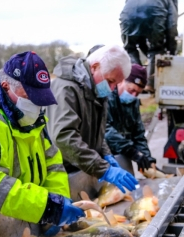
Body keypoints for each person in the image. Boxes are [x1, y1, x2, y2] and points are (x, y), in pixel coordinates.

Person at [0, 52, 83, 237]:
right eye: (31, 97)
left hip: (25, 217)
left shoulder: (28, 114)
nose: (37, 106)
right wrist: (46, 206)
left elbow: (52, 161)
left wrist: (57, 199)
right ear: (6, 87)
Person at [46, 45, 138, 199]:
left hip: (80, 167)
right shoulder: (66, 89)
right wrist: (103, 169)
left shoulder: (97, 89)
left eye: (116, 84)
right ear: (95, 67)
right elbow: (63, 137)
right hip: (60, 173)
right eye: (110, 81)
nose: (112, 88)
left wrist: (106, 155)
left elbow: (98, 132)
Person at [105, 64, 156, 172]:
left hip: (123, 157)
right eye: (131, 90)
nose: (133, 95)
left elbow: (138, 134)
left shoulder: (133, 103)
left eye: (137, 93)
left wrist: (147, 158)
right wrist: (133, 152)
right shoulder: (106, 98)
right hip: (104, 158)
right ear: (121, 81)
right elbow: (106, 131)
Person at [120, 0, 178, 92]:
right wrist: (172, 52)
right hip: (155, 12)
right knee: (156, 49)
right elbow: (172, 27)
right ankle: (149, 84)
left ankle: (135, 82)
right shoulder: (171, 1)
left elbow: (141, 40)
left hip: (128, 14)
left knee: (130, 49)